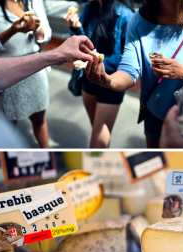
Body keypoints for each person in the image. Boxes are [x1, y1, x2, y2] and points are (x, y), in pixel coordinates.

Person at [85, 0, 183, 148]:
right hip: (154, 117)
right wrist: (106, 80)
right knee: (159, 163)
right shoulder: (138, 20)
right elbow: (128, 70)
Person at [64, 0, 133, 148]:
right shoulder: (90, 7)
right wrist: (75, 28)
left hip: (111, 82)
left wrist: (96, 60)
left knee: (97, 144)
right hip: (87, 79)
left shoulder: (126, 16)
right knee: (97, 130)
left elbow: (130, 60)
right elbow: (83, 43)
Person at [0, 0, 52, 148]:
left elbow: (46, 34)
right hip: (6, 73)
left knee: (39, 118)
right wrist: (12, 31)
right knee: (9, 125)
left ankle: (46, 155)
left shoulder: (33, 1)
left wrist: (36, 29)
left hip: (36, 68)